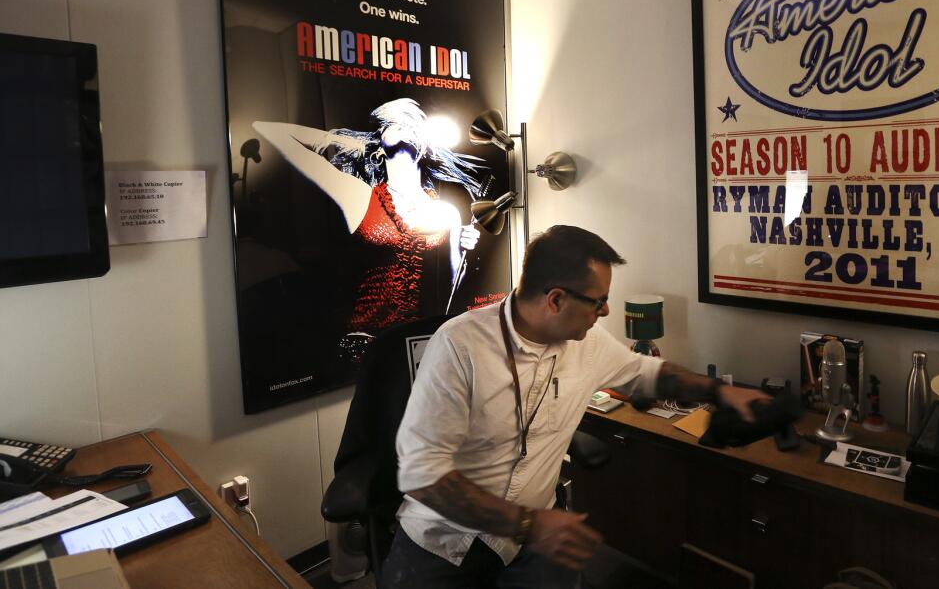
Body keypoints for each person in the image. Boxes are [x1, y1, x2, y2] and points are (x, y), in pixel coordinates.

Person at [382, 225, 770, 588]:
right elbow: (424, 476)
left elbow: (650, 374)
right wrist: (529, 525)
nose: (604, 312)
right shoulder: (459, 347)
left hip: (532, 540)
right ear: (556, 299)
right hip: (448, 539)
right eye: (599, 301)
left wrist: (719, 392)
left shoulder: (587, 342)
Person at [253, 98, 484, 333]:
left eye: (408, 121)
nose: (401, 125)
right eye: (390, 124)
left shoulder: (446, 213)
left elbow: (451, 293)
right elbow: (270, 130)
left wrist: (466, 253)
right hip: (366, 341)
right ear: (379, 144)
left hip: (419, 340)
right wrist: (337, 139)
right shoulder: (359, 196)